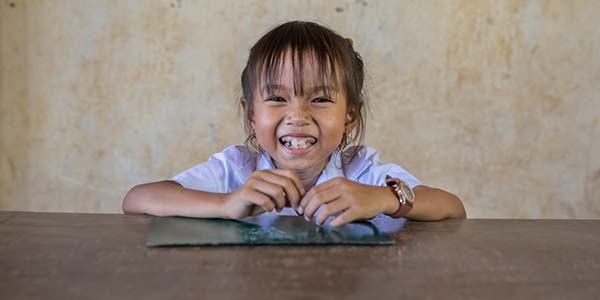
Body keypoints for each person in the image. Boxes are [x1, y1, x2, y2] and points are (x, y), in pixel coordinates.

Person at [122, 20, 466, 226]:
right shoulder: (236, 169)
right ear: (251, 115)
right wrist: (227, 204)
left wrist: (385, 199)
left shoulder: (361, 171)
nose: (298, 117)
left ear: (350, 116)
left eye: (320, 99)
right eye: (276, 99)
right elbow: (138, 199)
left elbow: (452, 208)